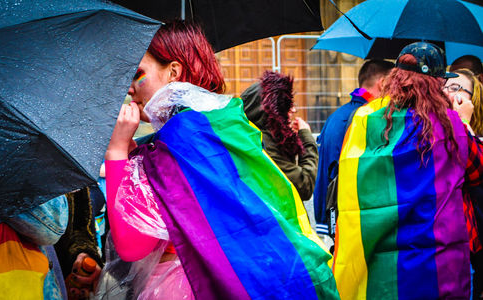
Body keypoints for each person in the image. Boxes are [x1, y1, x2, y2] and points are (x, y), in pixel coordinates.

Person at [102, 20, 339, 299]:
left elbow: (134, 245)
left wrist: (117, 152)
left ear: (174, 72)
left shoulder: (179, 140)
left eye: (138, 74)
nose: (130, 88)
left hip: (191, 287)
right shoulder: (224, 123)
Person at [332, 42, 483, 299]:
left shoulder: (363, 120)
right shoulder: (449, 127)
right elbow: (477, 169)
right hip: (438, 266)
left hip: (379, 263)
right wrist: (464, 121)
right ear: (435, 85)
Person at [313, 59, 394, 237]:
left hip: (336, 218)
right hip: (355, 222)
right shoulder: (367, 118)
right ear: (383, 83)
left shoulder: (338, 115)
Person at [241, 71, 318, 201]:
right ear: (273, 111)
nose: (293, 110)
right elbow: (305, 185)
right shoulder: (263, 145)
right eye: (287, 105)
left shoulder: (253, 137)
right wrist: (306, 138)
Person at [444, 68, 483, 299]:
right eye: (446, 87)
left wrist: (463, 123)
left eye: (457, 89)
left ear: (473, 99)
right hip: (452, 243)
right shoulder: (439, 129)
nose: (449, 94)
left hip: (471, 245)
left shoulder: (467, 131)